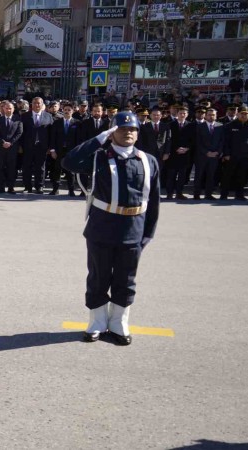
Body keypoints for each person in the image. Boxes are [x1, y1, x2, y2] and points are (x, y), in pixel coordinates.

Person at [62, 111, 160, 346]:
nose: (128, 133)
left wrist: (148, 233)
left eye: (133, 129)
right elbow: (69, 162)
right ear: (112, 132)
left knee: (126, 279)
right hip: (102, 227)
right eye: (123, 129)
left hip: (133, 228)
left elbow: (153, 200)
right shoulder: (98, 158)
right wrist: (98, 139)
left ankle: (119, 323)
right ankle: (96, 322)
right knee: (99, 277)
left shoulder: (148, 161)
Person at [221, 106, 248, 200]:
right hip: (232, 155)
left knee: (242, 176)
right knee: (227, 176)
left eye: (246, 113)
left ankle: (239, 194)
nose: (244, 115)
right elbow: (225, 142)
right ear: (238, 114)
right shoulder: (230, 125)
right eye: (242, 113)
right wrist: (226, 154)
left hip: (246, 155)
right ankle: (224, 194)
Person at [0, 101, 23, 194]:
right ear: (3, 109)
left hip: (12, 148)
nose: (8, 110)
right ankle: (1, 187)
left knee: (11, 168)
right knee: (0, 167)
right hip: (0, 147)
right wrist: (3, 142)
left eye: (10, 108)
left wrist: (11, 142)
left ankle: (11, 187)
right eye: (6, 108)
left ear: (13, 109)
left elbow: (19, 133)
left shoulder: (18, 119)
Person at [194, 108, 224, 200]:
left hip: (214, 156)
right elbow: (197, 142)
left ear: (216, 116)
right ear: (206, 115)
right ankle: (197, 194)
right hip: (202, 156)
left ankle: (208, 194)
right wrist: (206, 152)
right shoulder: (199, 126)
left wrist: (217, 152)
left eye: (213, 115)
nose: (211, 116)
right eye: (209, 115)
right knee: (199, 175)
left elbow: (222, 141)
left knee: (211, 176)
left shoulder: (220, 126)